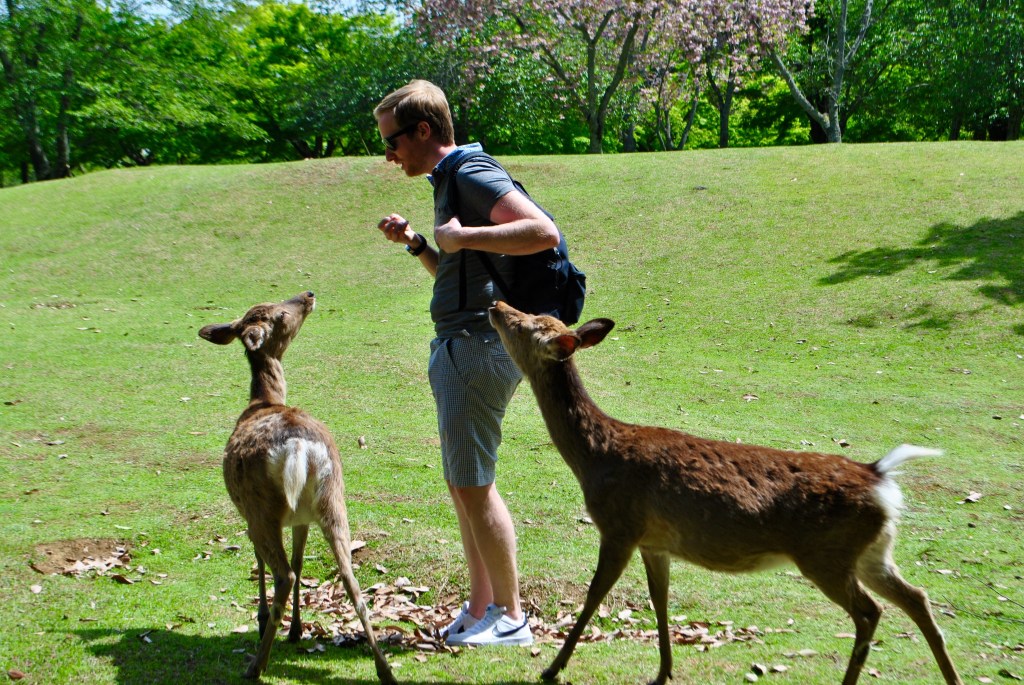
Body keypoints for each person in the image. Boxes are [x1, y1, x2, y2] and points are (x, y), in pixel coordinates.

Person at [374, 80, 559, 646]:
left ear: (423, 131)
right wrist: (419, 246)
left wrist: (462, 235)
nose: (388, 154)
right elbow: (460, 277)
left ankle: (511, 617)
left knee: (476, 485)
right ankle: (482, 608)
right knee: (463, 483)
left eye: (393, 141)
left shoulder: (470, 173)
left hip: (480, 346)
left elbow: (542, 232)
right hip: (462, 340)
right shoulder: (447, 182)